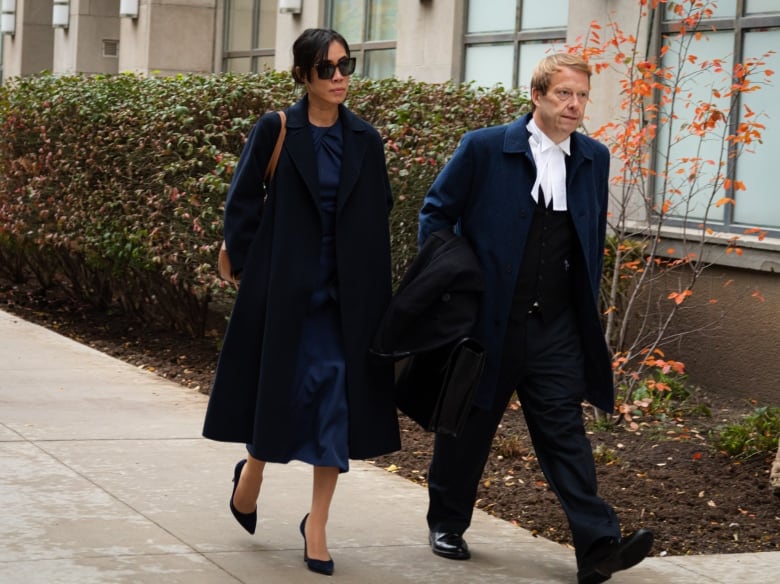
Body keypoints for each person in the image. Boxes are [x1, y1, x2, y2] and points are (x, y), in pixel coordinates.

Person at [417, 53, 653, 584]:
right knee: (469, 424)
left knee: (564, 432)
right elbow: (435, 213)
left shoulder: (593, 156)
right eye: (563, 94)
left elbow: (587, 236)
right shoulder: (484, 148)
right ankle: (446, 522)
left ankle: (597, 547)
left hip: (557, 326)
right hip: (489, 320)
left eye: (582, 96)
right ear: (537, 95)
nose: (574, 105)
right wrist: (454, 284)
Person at [202, 28, 400, 577]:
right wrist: (250, 271)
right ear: (303, 75)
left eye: (345, 66)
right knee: (282, 393)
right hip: (287, 291)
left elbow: (376, 206)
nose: (338, 77)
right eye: (325, 68)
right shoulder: (278, 129)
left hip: (346, 299)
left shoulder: (365, 139)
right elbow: (242, 201)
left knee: (334, 397)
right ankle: (252, 475)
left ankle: (316, 524)